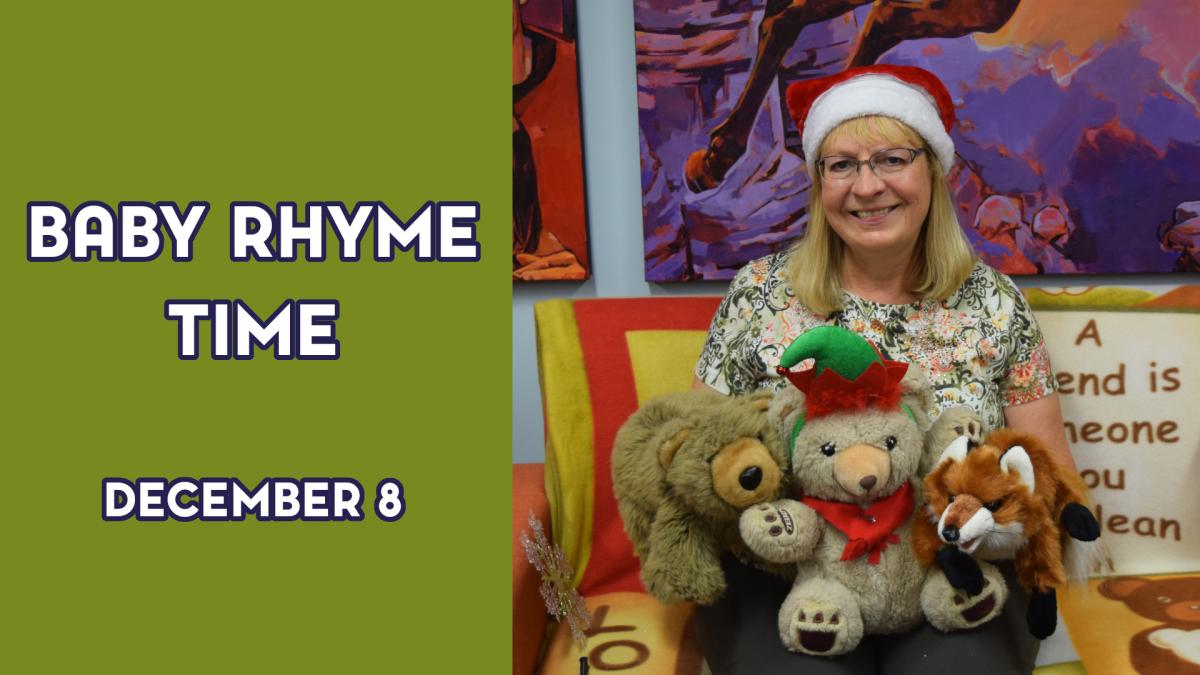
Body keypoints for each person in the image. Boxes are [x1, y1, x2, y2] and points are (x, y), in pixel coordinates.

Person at [690, 64, 1079, 675]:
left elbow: (1050, 480)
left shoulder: (995, 304)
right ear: (819, 184)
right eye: (841, 165)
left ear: (933, 170)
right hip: (789, 580)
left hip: (953, 574)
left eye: (892, 159)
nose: (867, 187)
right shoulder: (757, 294)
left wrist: (991, 526)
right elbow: (702, 461)